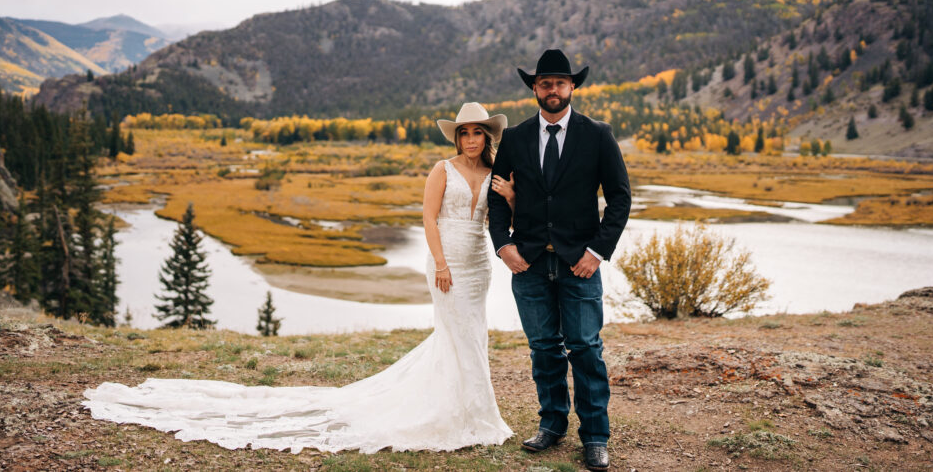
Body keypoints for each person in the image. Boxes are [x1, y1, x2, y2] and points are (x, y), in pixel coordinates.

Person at [82, 102, 513, 454]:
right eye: (465, 133)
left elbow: (499, 219)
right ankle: (471, 416)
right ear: (456, 137)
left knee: (471, 334)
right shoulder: (442, 169)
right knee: (455, 332)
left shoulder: (493, 173)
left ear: (486, 137)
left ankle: (467, 409)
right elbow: (428, 217)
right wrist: (439, 264)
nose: (471, 140)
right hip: (447, 263)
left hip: (478, 264)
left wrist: (510, 195)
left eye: (478, 133)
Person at [487, 49, 632, 472]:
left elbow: (620, 199)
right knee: (543, 349)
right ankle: (552, 425)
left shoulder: (597, 134)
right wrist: (503, 245)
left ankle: (595, 437)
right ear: (534, 88)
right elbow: (498, 197)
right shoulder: (514, 137)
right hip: (528, 262)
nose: (553, 90)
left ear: (573, 87)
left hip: (579, 263)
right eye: (545, 84)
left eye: (560, 83)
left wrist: (597, 251)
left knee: (586, 348)